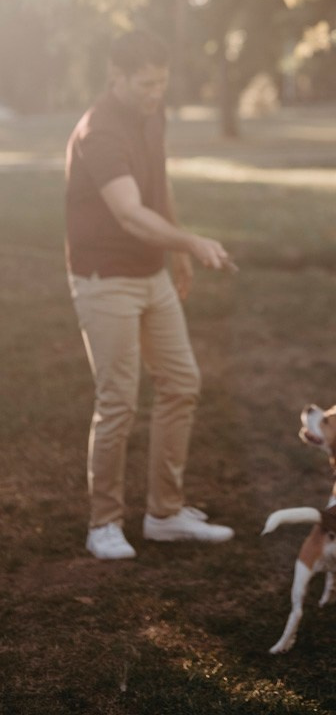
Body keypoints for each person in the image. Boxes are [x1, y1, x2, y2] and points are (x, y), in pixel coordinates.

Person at [66, 29, 237, 560]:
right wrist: (190, 241)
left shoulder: (151, 113)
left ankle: (164, 513)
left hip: (150, 273)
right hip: (105, 278)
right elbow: (128, 213)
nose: (154, 93)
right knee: (118, 400)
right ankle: (104, 523)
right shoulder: (98, 132)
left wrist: (178, 252)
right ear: (115, 77)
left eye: (161, 83)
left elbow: (159, 190)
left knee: (181, 382)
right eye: (144, 84)